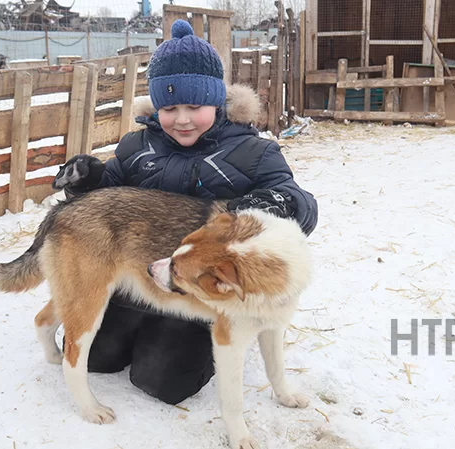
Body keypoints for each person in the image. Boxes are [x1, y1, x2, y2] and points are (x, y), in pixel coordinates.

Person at [51, 19, 318, 405]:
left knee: (161, 382)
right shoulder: (135, 147)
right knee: (100, 359)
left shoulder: (253, 153)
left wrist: (276, 204)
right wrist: (87, 180)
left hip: (202, 291)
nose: (182, 119)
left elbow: (299, 205)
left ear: (217, 102)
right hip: (143, 279)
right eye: (170, 107)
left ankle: (179, 342)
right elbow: (109, 198)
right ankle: (137, 327)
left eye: (195, 106)